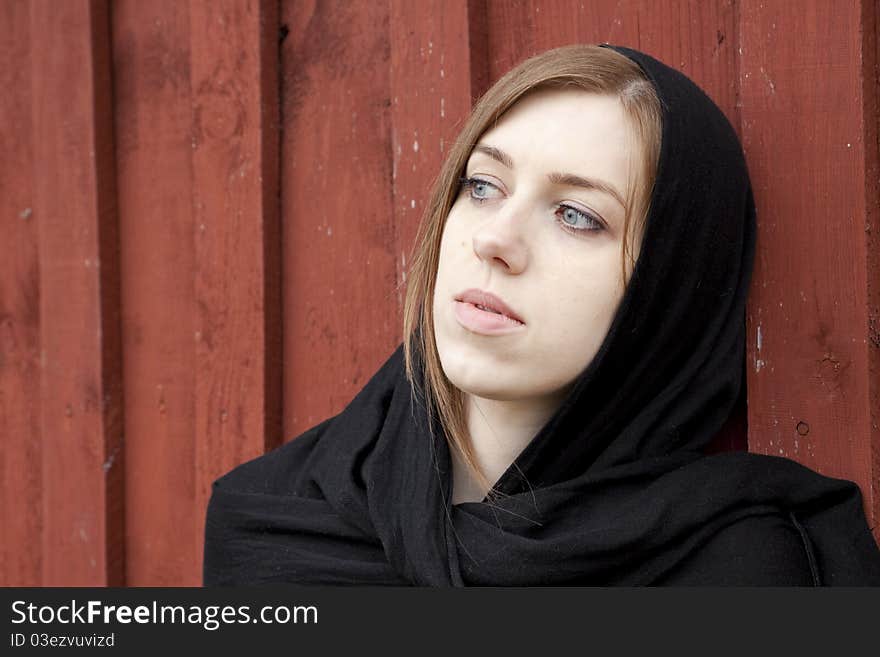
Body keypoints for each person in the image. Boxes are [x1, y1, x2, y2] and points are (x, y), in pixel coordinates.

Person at [203, 44, 880, 585]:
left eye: (577, 215)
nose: (494, 239)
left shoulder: (735, 567)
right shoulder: (275, 522)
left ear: (668, 289)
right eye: (482, 185)